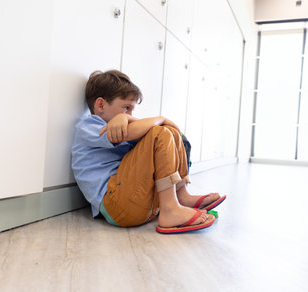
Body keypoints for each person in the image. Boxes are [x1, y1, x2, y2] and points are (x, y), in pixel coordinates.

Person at [71, 70, 226, 234]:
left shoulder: (119, 123)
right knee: (159, 133)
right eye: (126, 108)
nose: (129, 115)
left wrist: (128, 117)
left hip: (134, 201)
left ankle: (180, 196)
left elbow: (174, 131)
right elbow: (145, 130)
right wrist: (161, 118)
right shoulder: (89, 125)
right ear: (101, 105)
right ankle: (170, 209)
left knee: (169, 133)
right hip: (116, 204)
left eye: (132, 110)